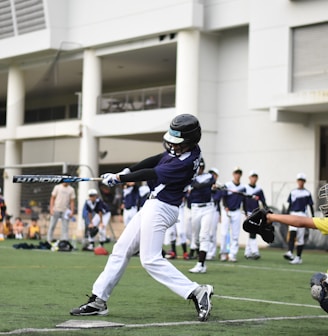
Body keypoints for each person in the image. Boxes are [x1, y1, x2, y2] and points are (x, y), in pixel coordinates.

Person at [70, 114, 214, 322]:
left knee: (150, 259)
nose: (172, 146)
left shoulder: (184, 162)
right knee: (121, 249)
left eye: (178, 143)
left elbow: (151, 172)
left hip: (162, 208)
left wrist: (119, 179)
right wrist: (126, 171)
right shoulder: (186, 150)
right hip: (154, 204)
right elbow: (155, 159)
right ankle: (98, 300)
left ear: (189, 142)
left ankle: (197, 292)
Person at [188, 159, 216, 273]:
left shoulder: (209, 176)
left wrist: (212, 184)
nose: (200, 170)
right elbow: (197, 185)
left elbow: (211, 180)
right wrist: (209, 185)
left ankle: (201, 264)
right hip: (195, 208)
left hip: (208, 208)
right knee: (195, 237)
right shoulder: (191, 177)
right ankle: (199, 258)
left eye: (201, 167)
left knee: (204, 235)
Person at [283, 173, 314, 265]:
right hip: (293, 214)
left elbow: (311, 206)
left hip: (302, 215)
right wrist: (286, 216)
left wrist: (313, 218)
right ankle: (290, 252)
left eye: (302, 180)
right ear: (297, 181)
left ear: (304, 182)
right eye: (299, 180)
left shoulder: (307, 193)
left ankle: (298, 257)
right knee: (292, 233)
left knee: (300, 237)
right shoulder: (293, 192)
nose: (300, 182)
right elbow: (289, 205)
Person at [219, 167, 247, 262]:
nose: (237, 175)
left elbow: (244, 200)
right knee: (224, 233)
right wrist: (225, 206)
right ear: (233, 174)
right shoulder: (228, 185)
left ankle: (232, 254)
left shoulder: (242, 188)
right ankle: (223, 253)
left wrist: (246, 212)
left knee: (235, 234)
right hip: (227, 211)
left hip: (237, 211)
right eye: (236, 173)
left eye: (239, 173)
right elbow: (223, 197)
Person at [244, 170, 267, 260]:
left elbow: (263, 201)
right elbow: (243, 200)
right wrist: (245, 212)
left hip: (256, 213)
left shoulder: (259, 189)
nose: (254, 178)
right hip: (248, 212)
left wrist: (266, 210)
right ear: (249, 178)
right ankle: (255, 251)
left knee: (252, 232)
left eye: (255, 177)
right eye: (252, 177)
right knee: (252, 231)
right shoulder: (245, 188)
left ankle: (248, 252)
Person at [206, 167, 222, 260]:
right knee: (205, 232)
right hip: (205, 209)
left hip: (214, 210)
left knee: (212, 232)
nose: (212, 176)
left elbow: (217, 197)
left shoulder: (219, 186)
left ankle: (211, 252)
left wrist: (213, 190)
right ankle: (204, 250)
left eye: (214, 174)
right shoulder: (206, 184)